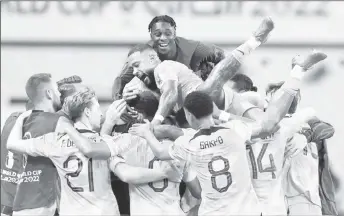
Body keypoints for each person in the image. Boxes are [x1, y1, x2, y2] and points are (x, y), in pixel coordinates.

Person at [7, 88, 181, 215]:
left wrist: (21, 118)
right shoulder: (107, 143)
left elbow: (12, 144)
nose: (100, 113)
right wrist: (163, 172)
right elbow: (125, 173)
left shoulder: (53, 141)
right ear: (88, 111)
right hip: (104, 211)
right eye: (98, 108)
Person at [115, 91, 201, 215]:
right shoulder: (179, 146)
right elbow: (197, 192)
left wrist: (112, 120)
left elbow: (104, 141)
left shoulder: (125, 144)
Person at [112, 15, 226, 100]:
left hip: (191, 95)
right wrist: (119, 101)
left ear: (174, 33)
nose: (163, 38)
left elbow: (222, 56)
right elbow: (120, 80)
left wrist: (212, 79)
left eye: (168, 33)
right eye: (157, 34)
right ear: (151, 35)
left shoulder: (195, 49)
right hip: (162, 97)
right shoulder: (144, 54)